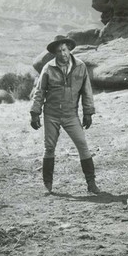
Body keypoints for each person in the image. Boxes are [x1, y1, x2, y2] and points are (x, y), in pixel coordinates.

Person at [30, 35, 100, 194]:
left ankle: (91, 184)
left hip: (71, 114)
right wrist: (35, 113)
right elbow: (39, 92)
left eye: (64, 50)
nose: (62, 53)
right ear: (55, 53)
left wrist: (88, 112)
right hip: (51, 114)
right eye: (58, 51)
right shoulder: (48, 68)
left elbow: (86, 91)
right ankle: (47, 185)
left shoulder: (80, 66)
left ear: (69, 49)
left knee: (82, 145)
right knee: (49, 148)